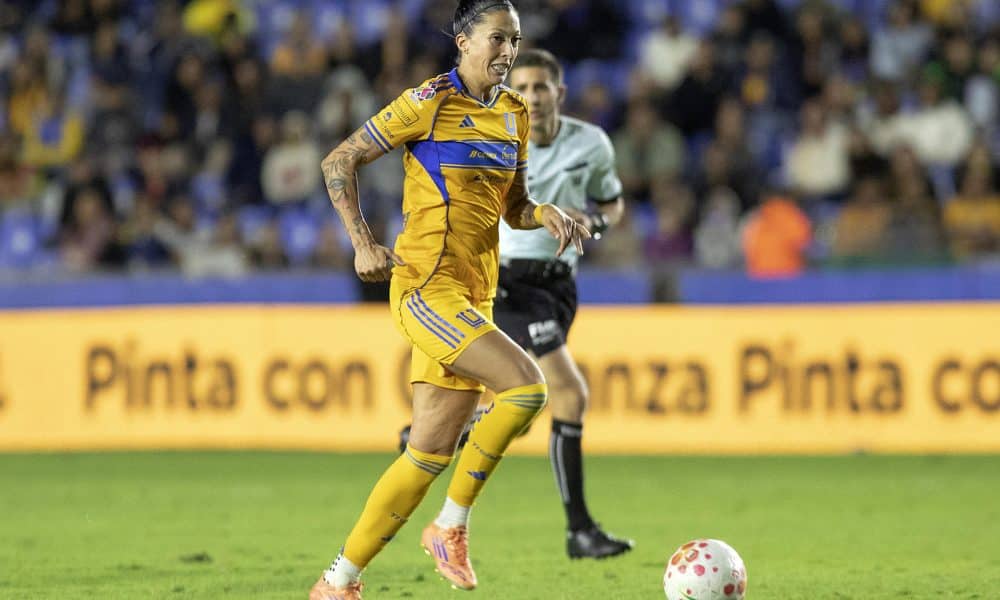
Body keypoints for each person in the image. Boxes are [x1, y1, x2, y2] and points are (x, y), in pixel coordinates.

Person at [308, 2, 589, 599]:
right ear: (462, 42)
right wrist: (362, 244)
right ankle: (450, 527)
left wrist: (545, 213)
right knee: (528, 388)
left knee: (426, 454)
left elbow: (513, 206)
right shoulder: (428, 102)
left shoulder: (513, 115)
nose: (508, 50)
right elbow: (341, 159)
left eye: (515, 39)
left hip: (475, 294)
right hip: (425, 287)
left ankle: (337, 582)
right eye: (496, 38)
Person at [399, 48, 633, 559]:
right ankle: (579, 531)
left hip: (560, 284)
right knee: (568, 394)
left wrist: (596, 222)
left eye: (540, 88)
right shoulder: (495, 136)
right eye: (520, 88)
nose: (530, 96)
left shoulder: (591, 143)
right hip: (508, 280)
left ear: (559, 93)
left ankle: (441, 433)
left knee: (524, 407)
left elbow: (612, 201)